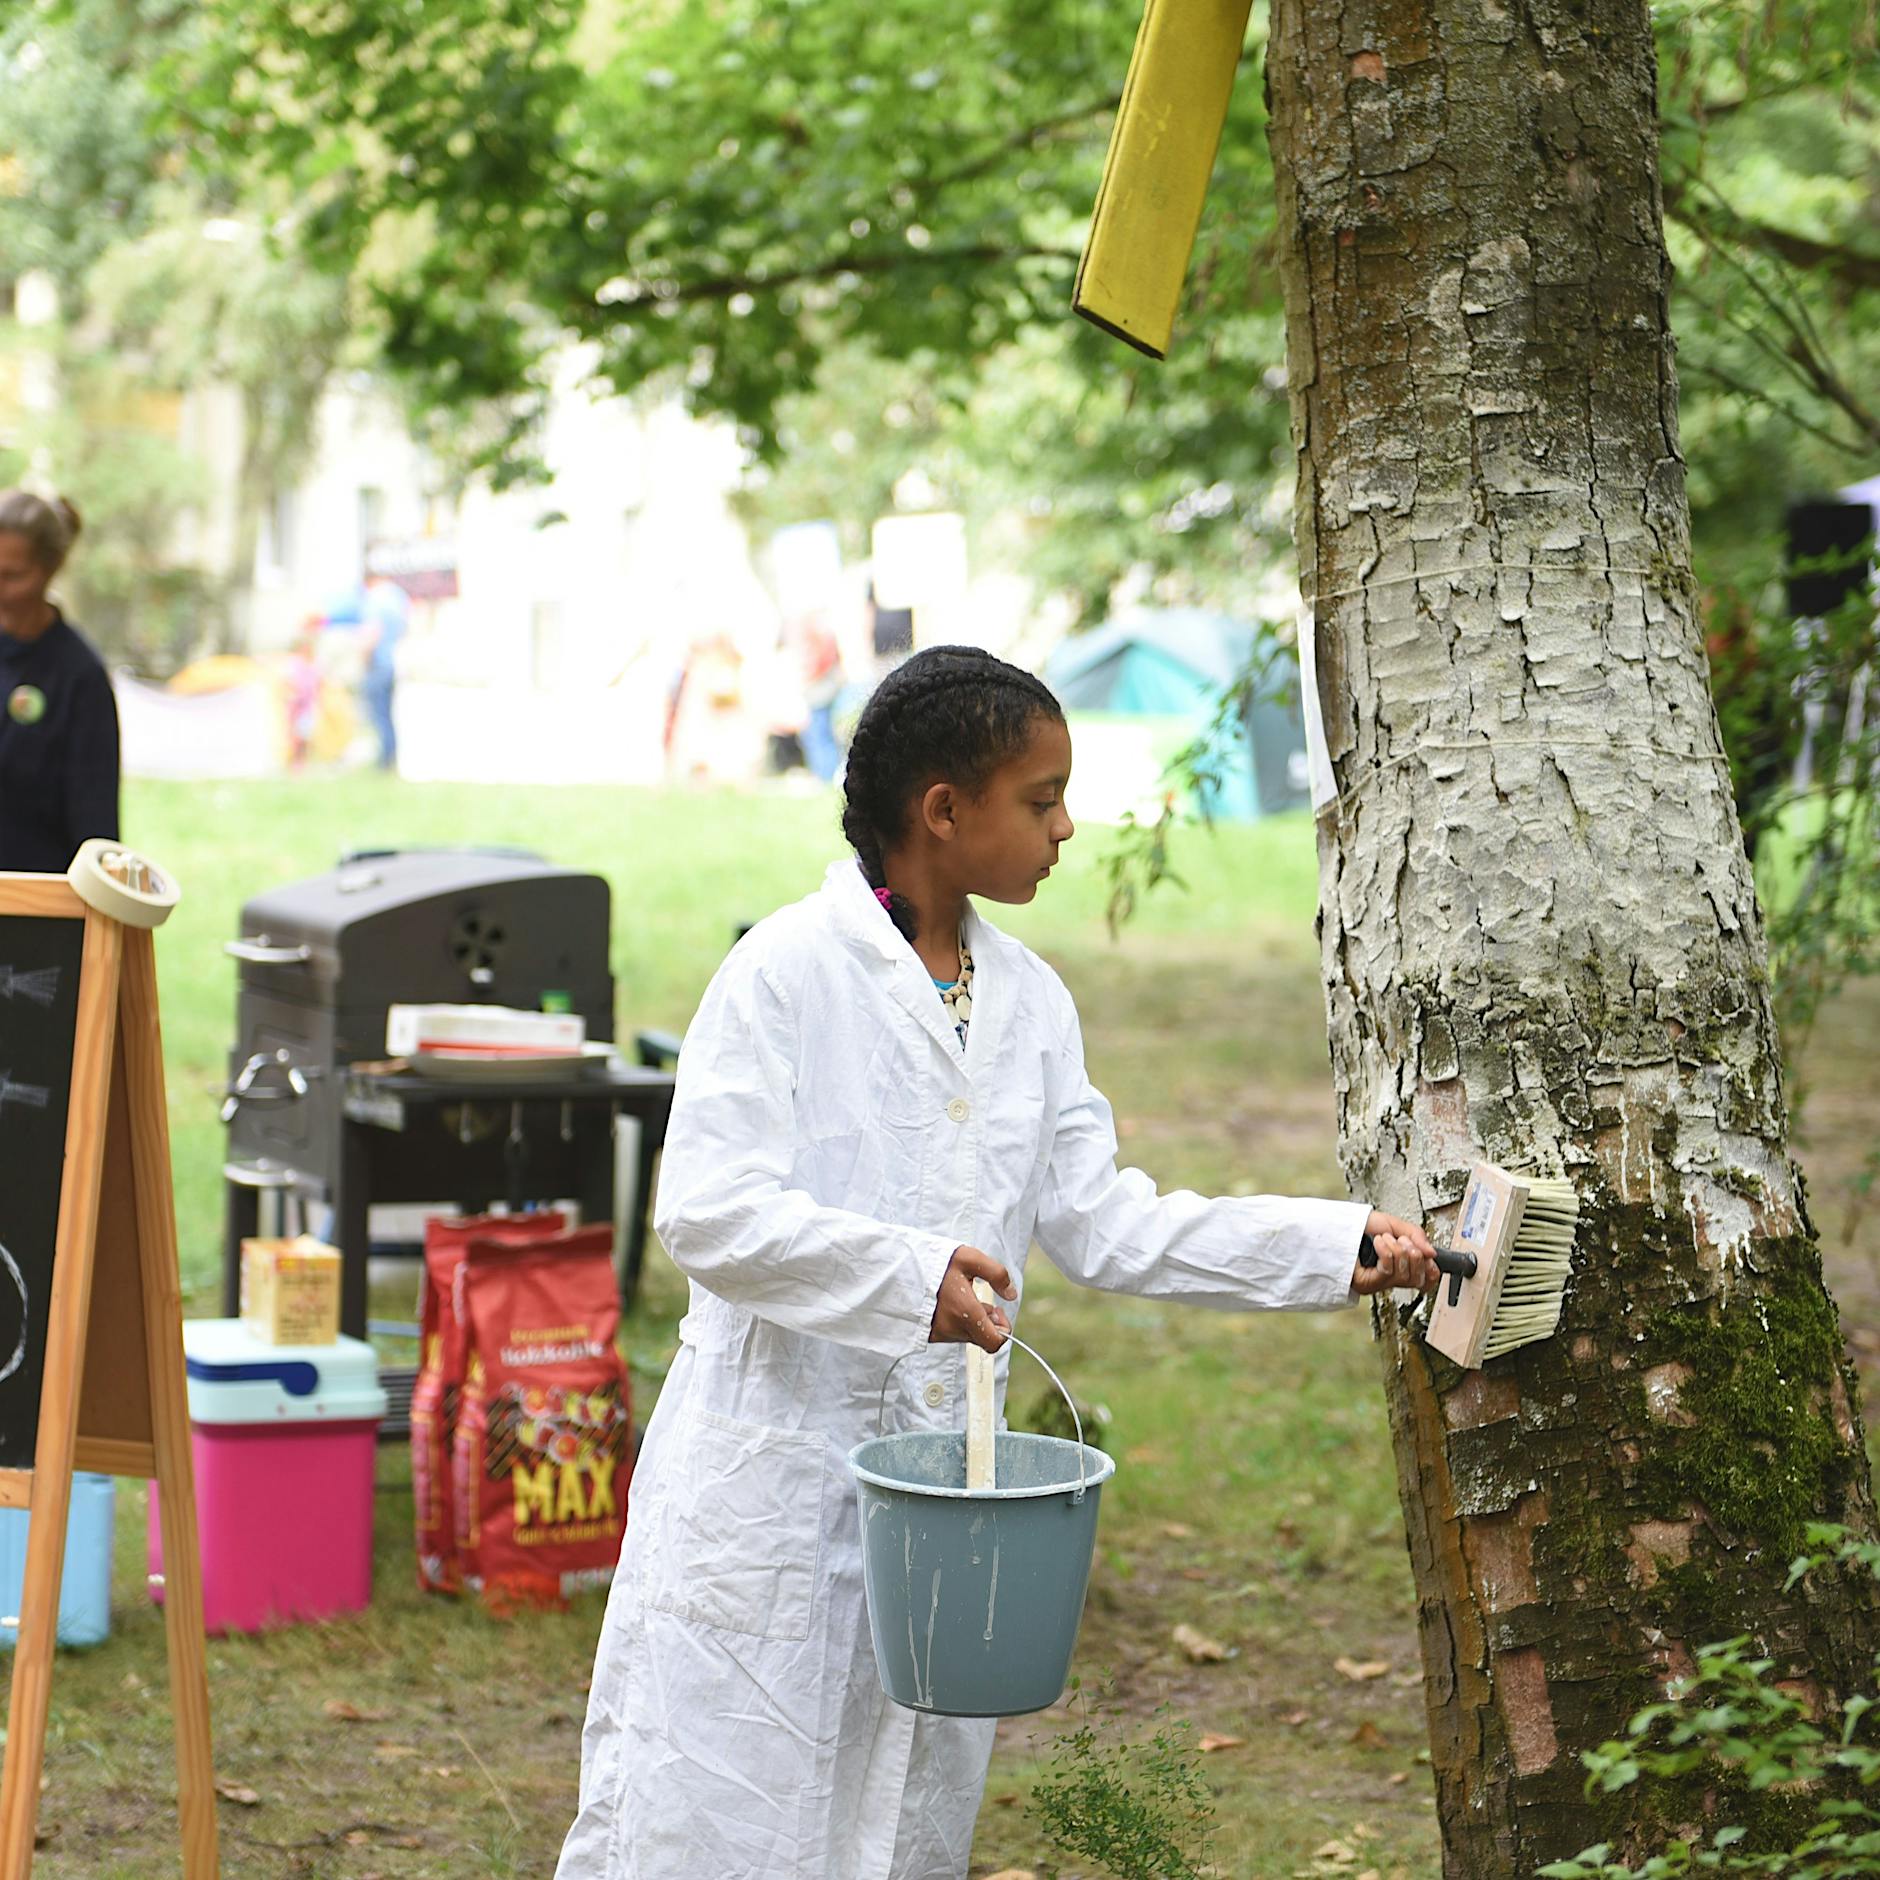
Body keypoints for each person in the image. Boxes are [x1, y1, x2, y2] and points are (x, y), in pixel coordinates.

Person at [556, 645, 1439, 1880]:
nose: (1067, 827)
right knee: (725, 1810)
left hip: (941, 1501)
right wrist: (901, 1273)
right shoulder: (782, 973)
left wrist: (1321, 1243)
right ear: (942, 809)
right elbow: (705, 1209)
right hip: (768, 1479)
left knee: (901, 1814)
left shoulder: (1027, 1002)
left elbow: (1104, 1221)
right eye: (1041, 798)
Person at [0, 491, 120, 873]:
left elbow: (95, 832)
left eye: (11, 576)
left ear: (51, 569)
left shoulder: (79, 677)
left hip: (35, 908)